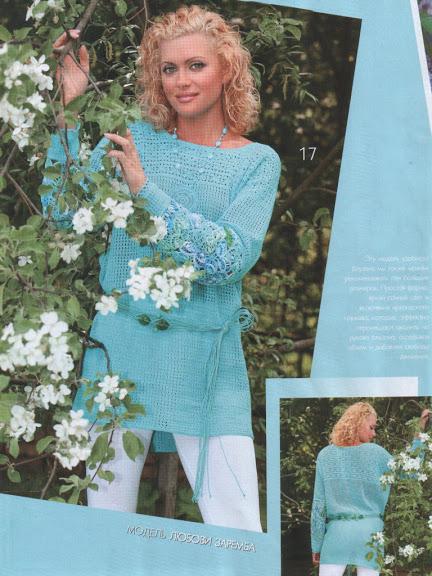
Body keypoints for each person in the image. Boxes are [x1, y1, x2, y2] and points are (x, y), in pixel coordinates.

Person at [42, 5, 281, 531]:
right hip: (120, 351)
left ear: (227, 70)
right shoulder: (135, 139)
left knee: (238, 528)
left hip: (207, 359)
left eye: (196, 65)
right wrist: (66, 108)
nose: (181, 81)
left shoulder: (257, 162)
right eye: (168, 69)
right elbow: (61, 212)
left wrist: (145, 192)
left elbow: (228, 259)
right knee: (108, 529)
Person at [310, 402, 429, 575]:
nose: (374, 434)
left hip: (336, 536)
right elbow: (410, 472)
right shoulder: (376, 453)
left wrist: (316, 545)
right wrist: (420, 431)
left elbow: (319, 506)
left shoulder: (325, 455)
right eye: (371, 427)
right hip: (370, 535)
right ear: (357, 423)